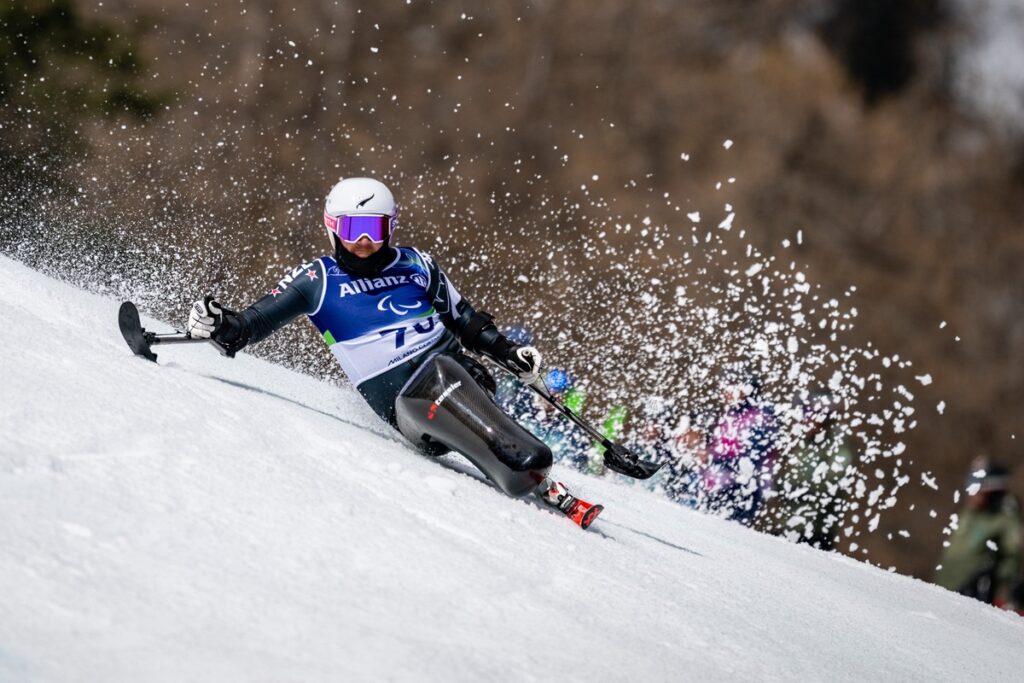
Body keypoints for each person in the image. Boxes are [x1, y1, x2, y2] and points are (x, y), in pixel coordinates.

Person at [185, 177, 601, 528]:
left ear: (391, 228)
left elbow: (465, 320)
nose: (364, 242)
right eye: (353, 230)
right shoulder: (316, 280)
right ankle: (525, 466)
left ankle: (530, 469)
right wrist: (219, 324)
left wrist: (509, 351)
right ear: (333, 229)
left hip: (463, 373)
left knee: (449, 368)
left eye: (375, 229)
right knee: (438, 376)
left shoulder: (417, 264)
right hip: (410, 404)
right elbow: (250, 326)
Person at [771, 391, 855, 550]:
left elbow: (833, 482)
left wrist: (799, 488)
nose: (807, 420)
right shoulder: (803, 444)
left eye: (813, 415)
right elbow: (788, 474)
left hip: (816, 529)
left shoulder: (838, 445)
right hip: (788, 523)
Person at [934, 459, 1022, 609]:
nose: (970, 493)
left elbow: (1011, 560)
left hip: (971, 597)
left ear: (992, 491)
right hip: (944, 588)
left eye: (977, 488)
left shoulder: (1004, 520)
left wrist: (1001, 592)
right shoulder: (969, 514)